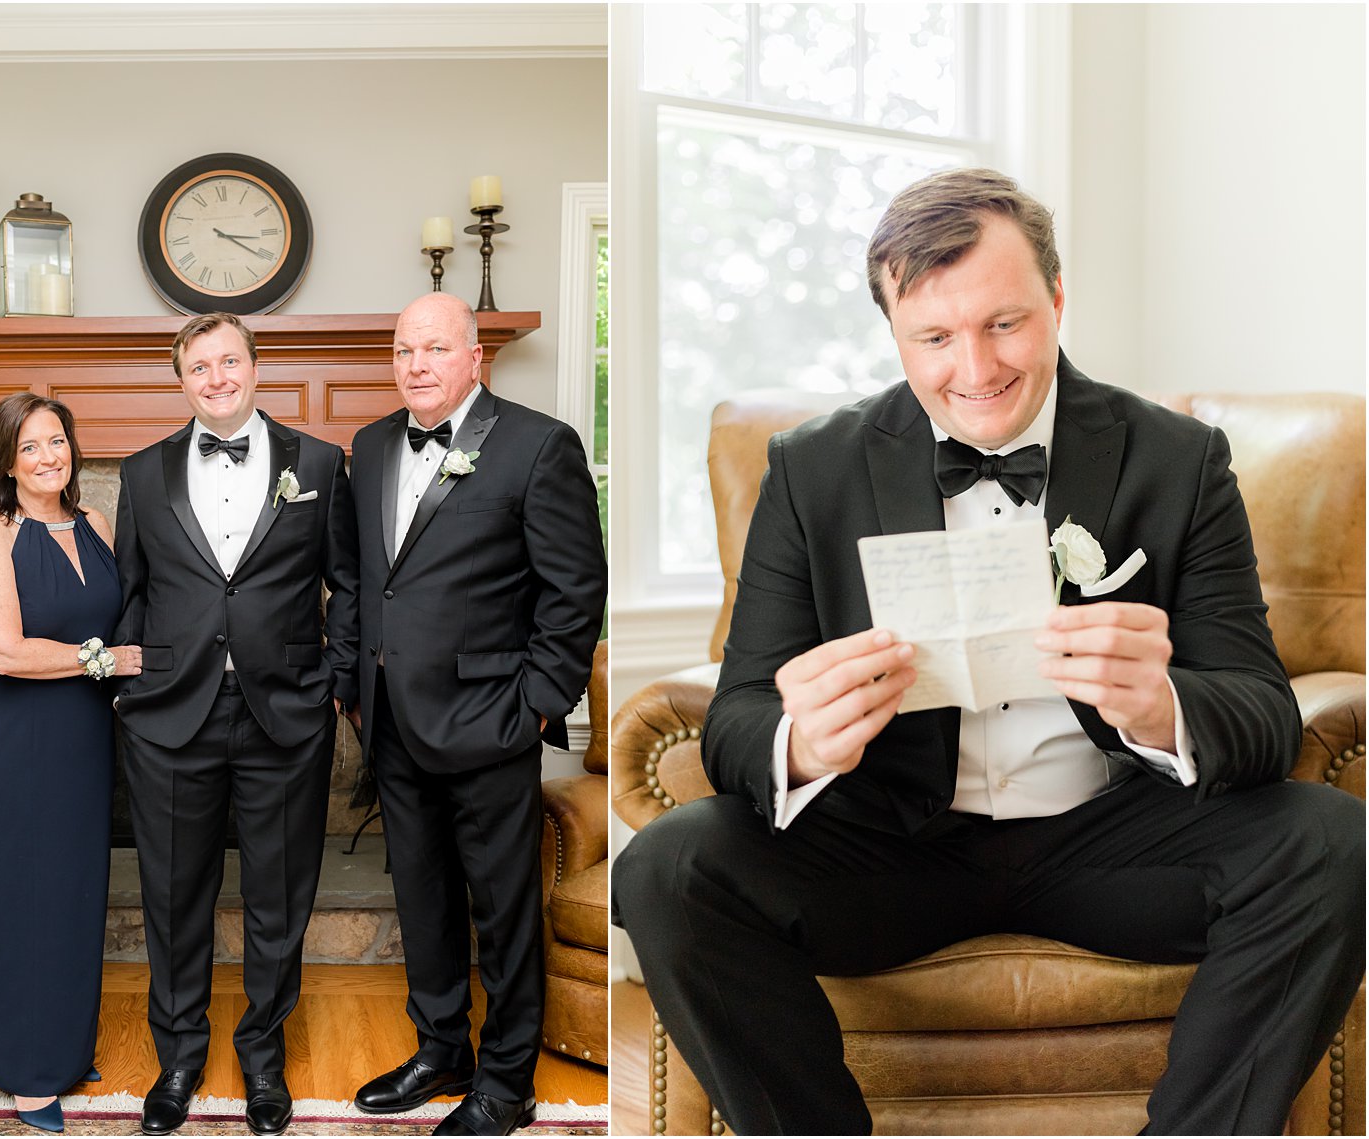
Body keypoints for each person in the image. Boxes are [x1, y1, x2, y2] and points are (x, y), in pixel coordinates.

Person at [612, 168, 1365, 1135]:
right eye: (933, 337)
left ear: (1056, 298)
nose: (974, 367)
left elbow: (1259, 711)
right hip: (888, 846)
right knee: (668, 868)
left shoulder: (1179, 459)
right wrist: (802, 739)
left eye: (1004, 322)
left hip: (1114, 838)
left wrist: (1160, 706)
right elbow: (738, 722)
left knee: (1337, 845)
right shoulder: (812, 468)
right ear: (893, 333)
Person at [347, 292, 606, 1136]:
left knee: (503, 909)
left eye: (433, 348)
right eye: (402, 350)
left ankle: (506, 1082)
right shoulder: (373, 444)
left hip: (492, 721)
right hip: (392, 722)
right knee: (422, 901)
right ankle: (441, 1050)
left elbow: (575, 592)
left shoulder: (538, 444)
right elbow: (365, 581)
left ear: (474, 357)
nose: (416, 365)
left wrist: (536, 705)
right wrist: (355, 684)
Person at [111, 312, 359, 1136]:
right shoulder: (143, 473)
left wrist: (337, 678)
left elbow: (347, 583)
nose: (216, 378)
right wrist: (131, 682)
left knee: (277, 898)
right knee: (174, 895)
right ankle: (179, 1055)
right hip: (169, 716)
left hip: (285, 712)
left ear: (256, 366)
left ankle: (262, 1056)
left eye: (229, 361)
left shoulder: (319, 463)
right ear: (181, 380)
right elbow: (131, 590)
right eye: (199, 367)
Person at [0, 392, 144, 1133]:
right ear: (6, 458)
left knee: (72, 889)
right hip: (10, 736)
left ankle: (63, 1048)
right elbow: (1, 648)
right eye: (29, 446)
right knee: (19, 895)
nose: (46, 457)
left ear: (73, 447)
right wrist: (106, 659)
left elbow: (125, 611)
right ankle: (27, 1070)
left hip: (81, 736)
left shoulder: (95, 523)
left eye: (56, 441)